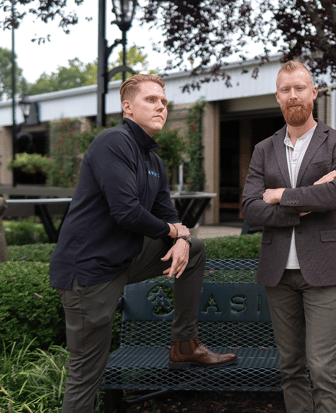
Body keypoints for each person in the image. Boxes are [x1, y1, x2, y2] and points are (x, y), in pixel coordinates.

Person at [49, 74, 237, 413]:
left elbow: (169, 215)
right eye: (151, 100)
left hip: (124, 261)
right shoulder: (112, 142)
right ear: (128, 107)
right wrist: (175, 231)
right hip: (89, 273)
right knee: (86, 375)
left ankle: (183, 344)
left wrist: (181, 238)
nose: (161, 106)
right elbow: (127, 213)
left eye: (164, 102)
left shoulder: (153, 161)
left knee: (193, 249)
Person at [241, 61, 336, 413]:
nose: (293, 96)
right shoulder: (264, 149)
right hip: (278, 272)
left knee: (323, 368)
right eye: (285, 90)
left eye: (299, 88)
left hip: (324, 270)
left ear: (314, 93)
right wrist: (308, 201)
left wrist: (280, 195)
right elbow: (250, 209)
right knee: (290, 368)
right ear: (277, 97)